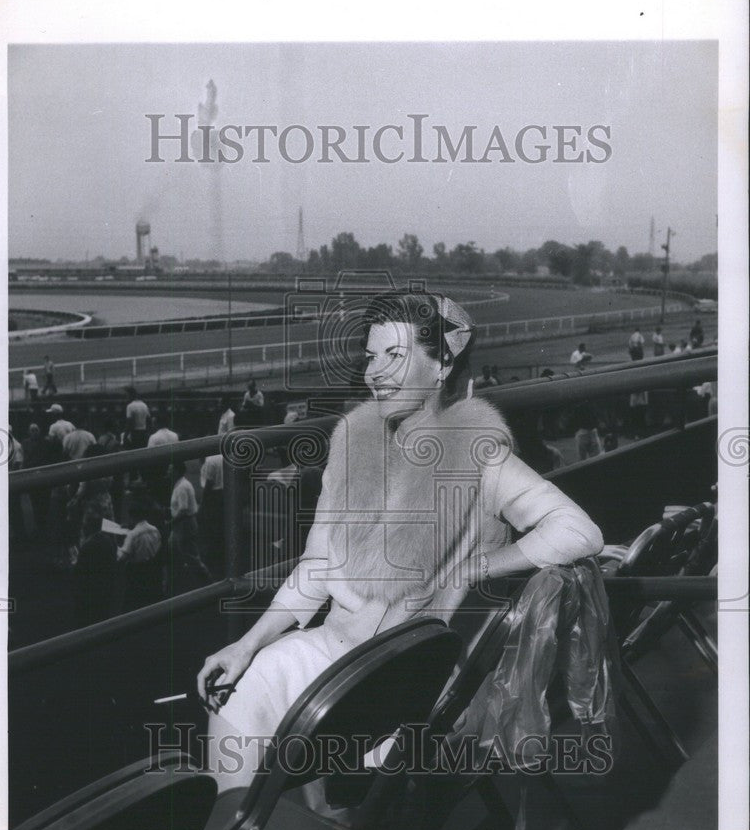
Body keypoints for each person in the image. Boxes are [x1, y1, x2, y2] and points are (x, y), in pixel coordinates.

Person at [199, 293, 604, 790]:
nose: (375, 372)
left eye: (396, 356)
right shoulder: (351, 448)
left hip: (410, 681)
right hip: (335, 654)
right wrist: (247, 642)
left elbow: (579, 530)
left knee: (269, 712)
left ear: (441, 367)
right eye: (372, 356)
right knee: (246, 684)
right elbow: (316, 567)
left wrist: (475, 566)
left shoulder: (483, 457)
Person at [169, 460, 210, 592]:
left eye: (170, 469)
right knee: (172, 547)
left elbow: (183, 508)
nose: (168, 471)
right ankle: (175, 578)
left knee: (191, 555)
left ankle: (208, 581)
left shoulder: (181, 487)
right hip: (182, 523)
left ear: (175, 471)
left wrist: (171, 521)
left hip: (184, 523)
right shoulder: (182, 483)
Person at [73, 507, 118, 624]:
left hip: (91, 585)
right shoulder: (109, 541)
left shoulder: (88, 545)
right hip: (106, 583)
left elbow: (80, 570)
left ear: (89, 527)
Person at [118, 497, 163, 611]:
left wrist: (116, 548)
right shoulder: (155, 530)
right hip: (152, 566)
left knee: (131, 600)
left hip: (136, 570)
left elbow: (122, 557)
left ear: (132, 516)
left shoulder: (132, 535)